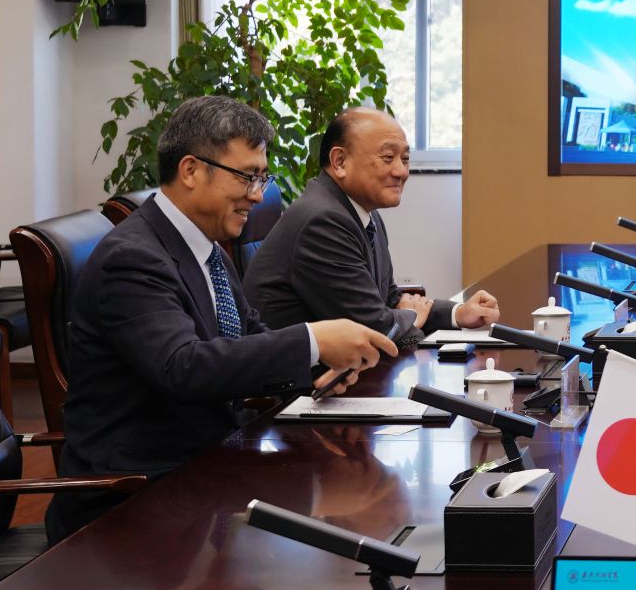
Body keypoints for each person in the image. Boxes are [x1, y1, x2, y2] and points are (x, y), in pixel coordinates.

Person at [47, 96, 395, 543]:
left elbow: (248, 335)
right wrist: (314, 340)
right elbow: (184, 367)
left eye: (262, 177)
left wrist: (318, 369)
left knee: (344, 495)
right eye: (247, 176)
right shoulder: (132, 258)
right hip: (132, 502)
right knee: (332, 511)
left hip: (203, 469)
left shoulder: (205, 248)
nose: (257, 194)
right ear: (191, 170)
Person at [247, 108, 501, 347]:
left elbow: (390, 300)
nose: (401, 172)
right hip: (300, 377)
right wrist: (411, 317)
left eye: (405, 159)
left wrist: (459, 313)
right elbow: (376, 331)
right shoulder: (323, 221)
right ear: (340, 161)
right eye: (388, 158)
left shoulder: (364, 214)